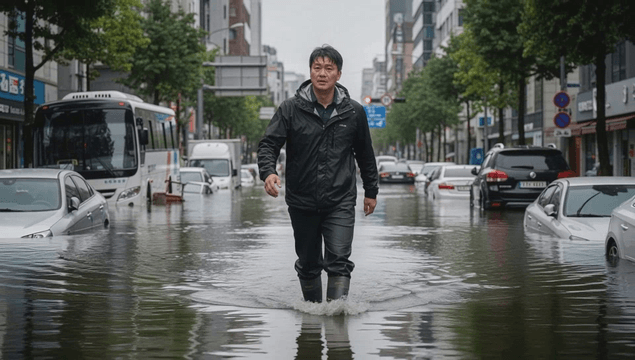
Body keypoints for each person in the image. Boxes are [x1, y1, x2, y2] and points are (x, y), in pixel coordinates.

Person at [257, 45, 379, 303]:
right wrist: (268, 172)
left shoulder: (354, 112)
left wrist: (371, 192)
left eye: (328, 68)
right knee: (309, 262)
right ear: (310, 71)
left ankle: (336, 323)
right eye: (317, 68)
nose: (322, 73)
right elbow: (268, 144)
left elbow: (365, 155)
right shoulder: (290, 109)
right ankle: (312, 320)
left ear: (338, 74)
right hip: (302, 200)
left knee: (339, 259)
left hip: (341, 199)